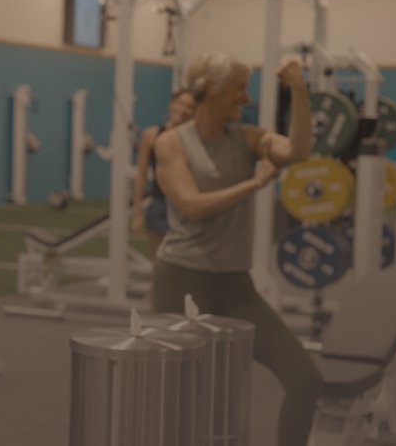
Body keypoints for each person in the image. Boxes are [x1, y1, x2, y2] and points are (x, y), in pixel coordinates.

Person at [152, 52, 319, 446]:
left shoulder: (247, 139)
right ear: (212, 88)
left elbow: (298, 151)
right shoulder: (171, 143)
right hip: (182, 279)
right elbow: (192, 206)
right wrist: (255, 185)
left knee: (305, 377)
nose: (245, 99)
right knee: (182, 394)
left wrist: (298, 87)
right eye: (240, 88)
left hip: (235, 284)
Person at [130, 88, 196, 259]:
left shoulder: (194, 139)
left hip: (186, 207)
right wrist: (137, 213)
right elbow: (141, 174)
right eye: (180, 104)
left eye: (189, 107)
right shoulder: (151, 135)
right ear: (171, 105)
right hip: (159, 205)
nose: (183, 110)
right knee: (158, 264)